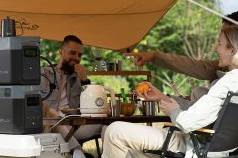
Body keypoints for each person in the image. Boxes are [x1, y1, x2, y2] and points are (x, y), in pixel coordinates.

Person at [102, 24, 238, 157]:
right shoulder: (232, 82)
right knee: (128, 152)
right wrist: (162, 97)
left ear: (232, 50)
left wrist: (173, 111)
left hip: (192, 142)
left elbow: (187, 122)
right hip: (208, 144)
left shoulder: (226, 82)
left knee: (114, 131)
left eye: (219, 44)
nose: (216, 49)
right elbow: (198, 110)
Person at [132, 11, 238, 104]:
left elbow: (191, 116)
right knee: (199, 92)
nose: (216, 49)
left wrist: (162, 98)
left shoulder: (227, 83)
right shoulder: (225, 76)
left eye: (227, 35)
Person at [41, 35, 102, 158]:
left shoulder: (79, 78)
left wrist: (85, 80)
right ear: (61, 52)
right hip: (51, 125)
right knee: (52, 113)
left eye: (79, 55)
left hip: (75, 125)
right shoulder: (44, 73)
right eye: (72, 53)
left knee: (107, 124)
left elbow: (92, 105)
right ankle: (78, 152)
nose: (76, 58)